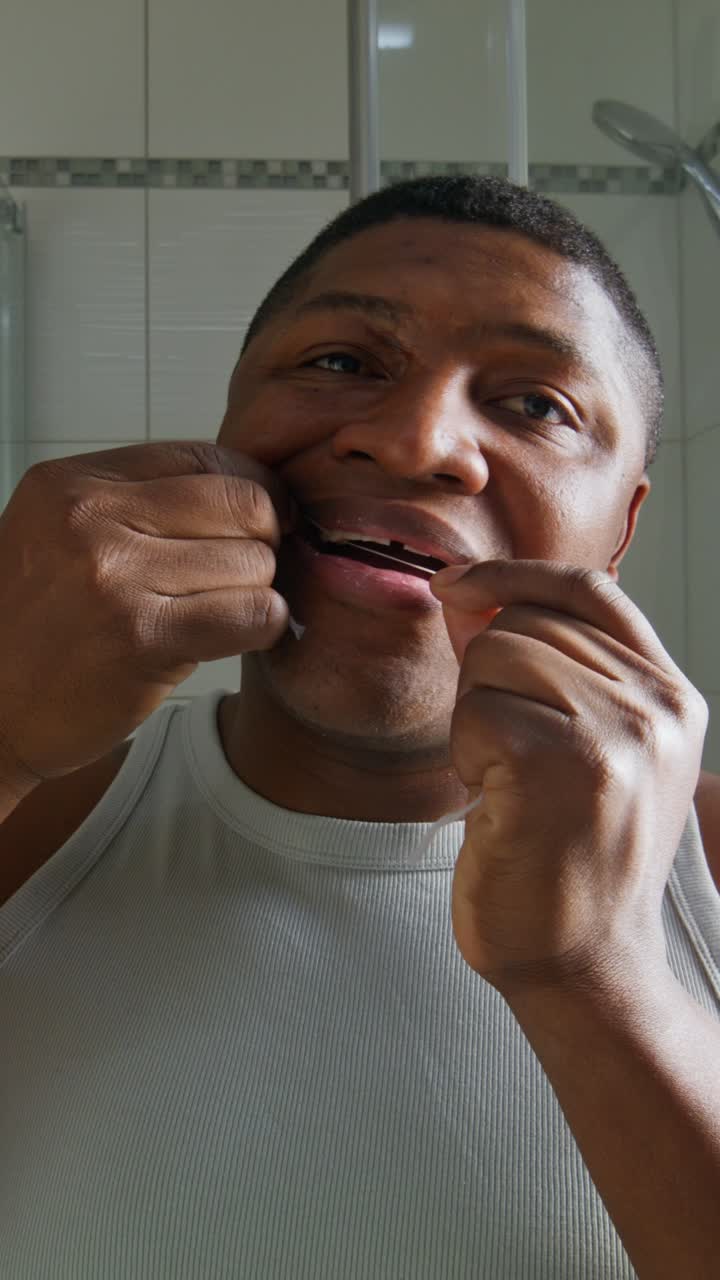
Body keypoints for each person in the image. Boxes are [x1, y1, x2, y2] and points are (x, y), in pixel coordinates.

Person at [1, 175, 719, 1279]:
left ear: (619, 526)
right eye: (341, 362)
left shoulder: (709, 862)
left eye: (536, 404)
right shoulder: (36, 818)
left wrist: (599, 971)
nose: (416, 439)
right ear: (232, 421)